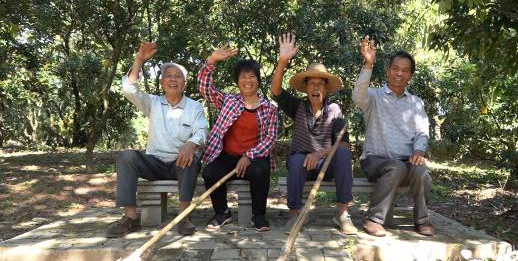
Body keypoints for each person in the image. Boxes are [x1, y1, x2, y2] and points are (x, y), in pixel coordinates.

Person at [106, 42, 208, 238]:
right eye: (168, 76)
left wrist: (191, 144)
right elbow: (129, 90)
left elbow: (202, 130)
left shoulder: (194, 106)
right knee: (127, 157)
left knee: (191, 158)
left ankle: (183, 217)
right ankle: (131, 218)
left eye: (178, 77)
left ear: (184, 83)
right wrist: (139, 60)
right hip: (155, 162)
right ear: (162, 82)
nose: (173, 80)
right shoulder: (152, 103)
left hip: (180, 163)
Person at [271, 33, 357, 235]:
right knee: (295, 161)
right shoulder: (298, 106)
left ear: (326, 89)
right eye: (312, 83)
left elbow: (343, 145)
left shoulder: (335, 110)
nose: (316, 87)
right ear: (306, 88)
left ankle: (343, 213)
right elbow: (276, 90)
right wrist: (283, 61)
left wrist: (318, 153)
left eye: (320, 84)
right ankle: (295, 214)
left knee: (343, 155)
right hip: (302, 164)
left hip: (326, 164)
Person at [352, 36, 434, 237]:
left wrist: (418, 151)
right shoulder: (374, 97)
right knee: (395, 167)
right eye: (395, 68)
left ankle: (422, 220)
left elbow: (422, 132)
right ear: (389, 70)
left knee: (421, 171)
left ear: (411, 75)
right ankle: (373, 219)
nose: (399, 73)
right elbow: (357, 96)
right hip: (375, 160)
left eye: (405, 70)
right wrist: (368, 64)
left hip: (405, 162)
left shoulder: (416, 103)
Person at [198, 45, 278, 232]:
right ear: (237, 81)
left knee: (260, 171)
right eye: (243, 76)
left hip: (255, 158)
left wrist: (249, 156)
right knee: (210, 172)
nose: (247, 80)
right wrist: (211, 61)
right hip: (228, 156)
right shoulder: (229, 101)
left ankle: (259, 216)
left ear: (258, 80)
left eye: (251, 76)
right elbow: (205, 89)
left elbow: (270, 138)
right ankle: (222, 212)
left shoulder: (269, 108)